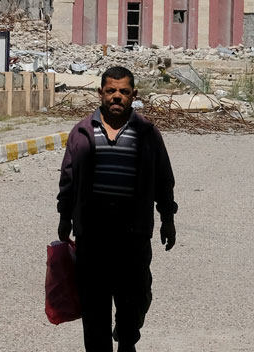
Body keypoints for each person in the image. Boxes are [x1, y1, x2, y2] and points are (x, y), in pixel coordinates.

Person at [57, 65, 177, 352]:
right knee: (95, 306)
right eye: (111, 91)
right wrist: (64, 218)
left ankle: (126, 339)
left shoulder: (147, 133)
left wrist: (167, 219)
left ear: (134, 95)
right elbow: (68, 178)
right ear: (100, 93)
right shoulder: (82, 132)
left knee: (134, 299)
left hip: (133, 233)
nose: (117, 97)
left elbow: (164, 179)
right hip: (93, 234)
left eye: (123, 92)